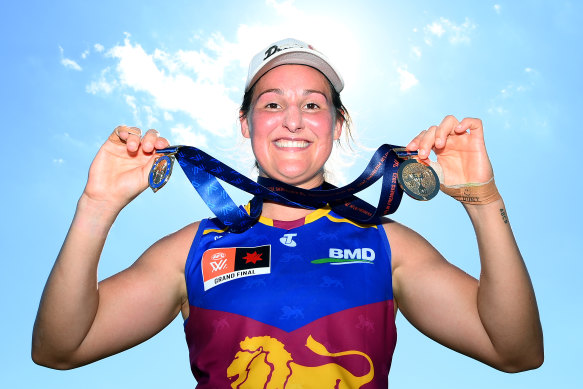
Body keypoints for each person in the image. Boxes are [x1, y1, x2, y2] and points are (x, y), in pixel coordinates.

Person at [32, 38, 543, 388]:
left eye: (314, 105)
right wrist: (95, 208)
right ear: (245, 122)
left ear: (338, 125)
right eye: (272, 104)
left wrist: (483, 199)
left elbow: (515, 351)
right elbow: (60, 348)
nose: (293, 120)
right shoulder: (191, 249)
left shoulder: (389, 244)